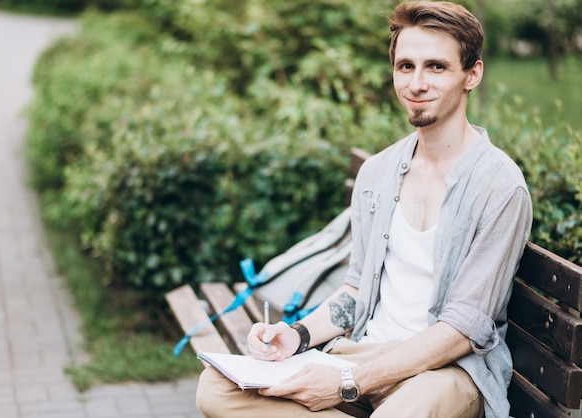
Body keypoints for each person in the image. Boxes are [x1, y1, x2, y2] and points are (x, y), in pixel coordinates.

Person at [196, 1, 532, 417]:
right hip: (364, 353)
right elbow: (356, 288)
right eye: (405, 66)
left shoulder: (500, 186)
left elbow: (463, 331)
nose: (417, 83)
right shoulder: (379, 172)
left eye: (436, 67)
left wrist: (346, 384)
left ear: (472, 74)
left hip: (445, 373)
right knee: (216, 387)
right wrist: (297, 336)